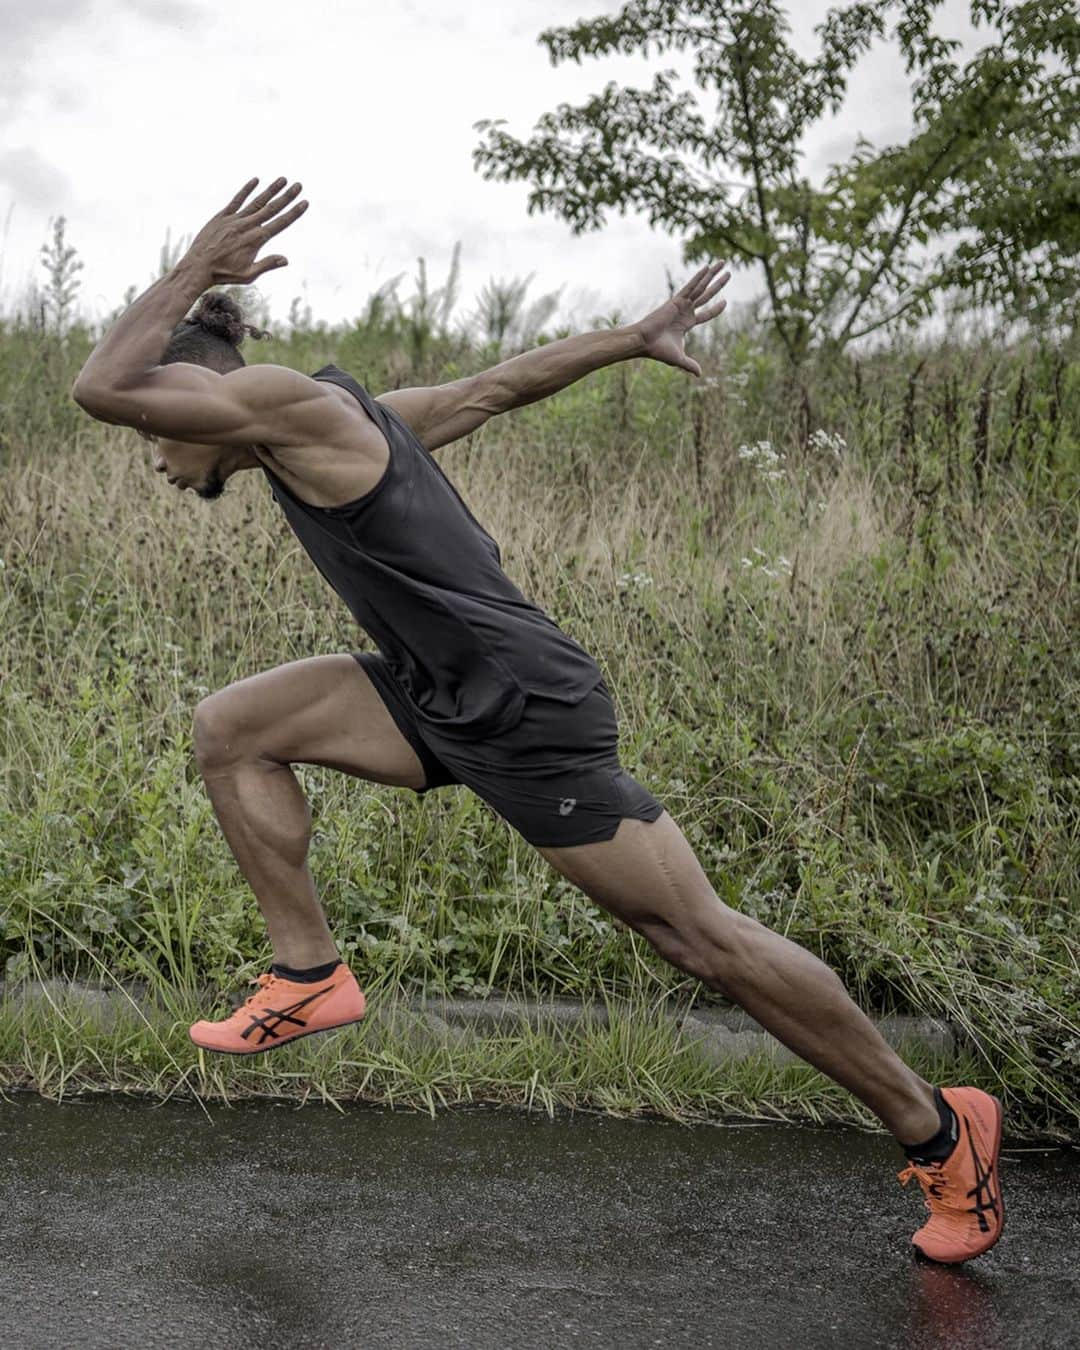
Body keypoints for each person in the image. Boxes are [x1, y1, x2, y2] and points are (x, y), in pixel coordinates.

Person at [73, 177, 1004, 1265]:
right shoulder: (336, 427)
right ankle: (310, 974)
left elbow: (102, 384)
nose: (149, 448)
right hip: (437, 691)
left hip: (523, 704)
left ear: (196, 392)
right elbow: (497, 385)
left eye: (160, 424)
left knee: (698, 939)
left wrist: (193, 266)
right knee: (232, 728)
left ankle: (942, 1131)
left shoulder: (281, 401)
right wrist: (630, 336)